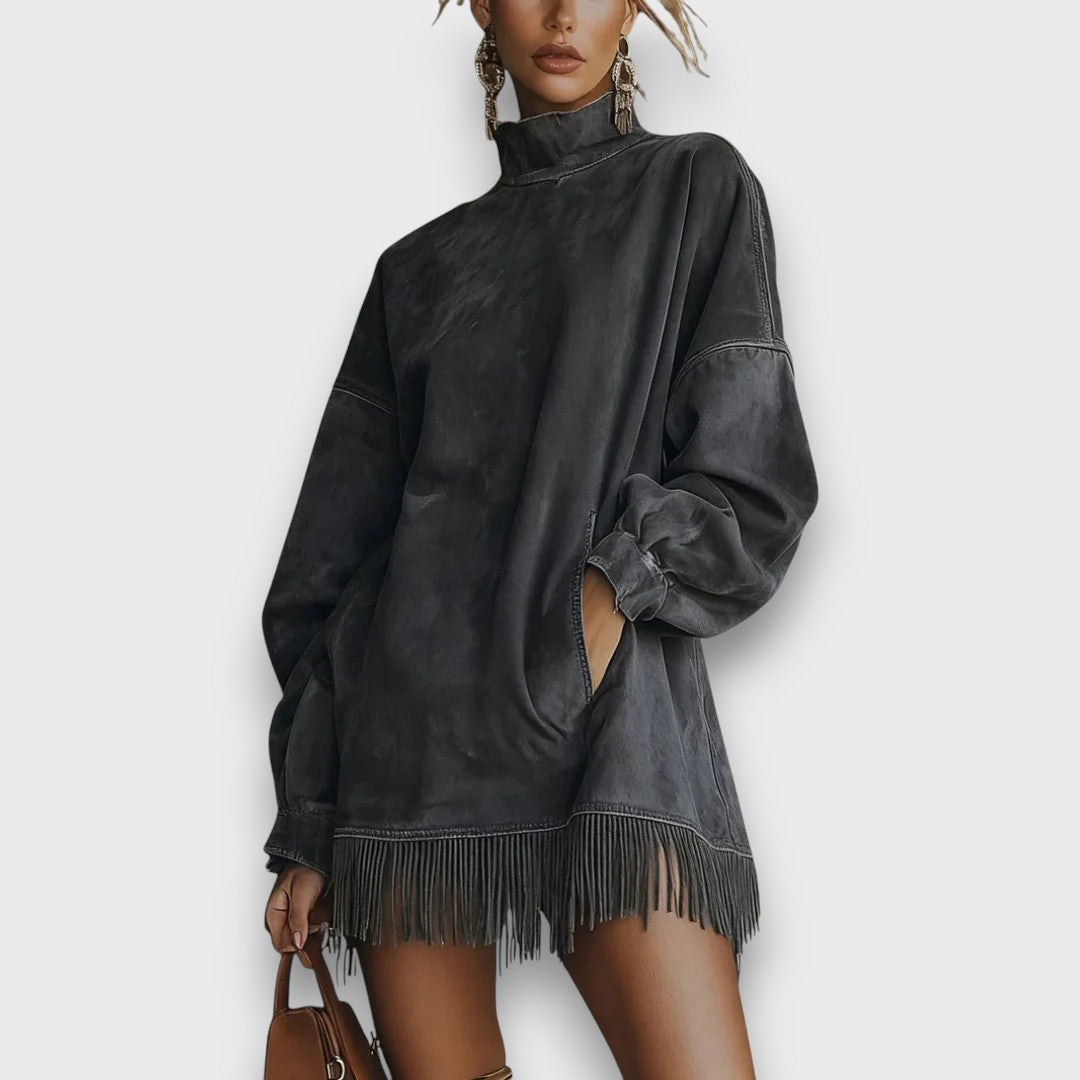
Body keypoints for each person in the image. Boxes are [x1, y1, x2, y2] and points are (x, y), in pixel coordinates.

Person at [261, 2, 818, 1077]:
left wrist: (607, 597)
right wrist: (313, 818)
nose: (563, 13)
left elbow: (752, 480)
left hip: (611, 740)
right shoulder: (416, 272)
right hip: (411, 767)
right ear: (480, 4)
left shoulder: (695, 188)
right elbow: (331, 574)